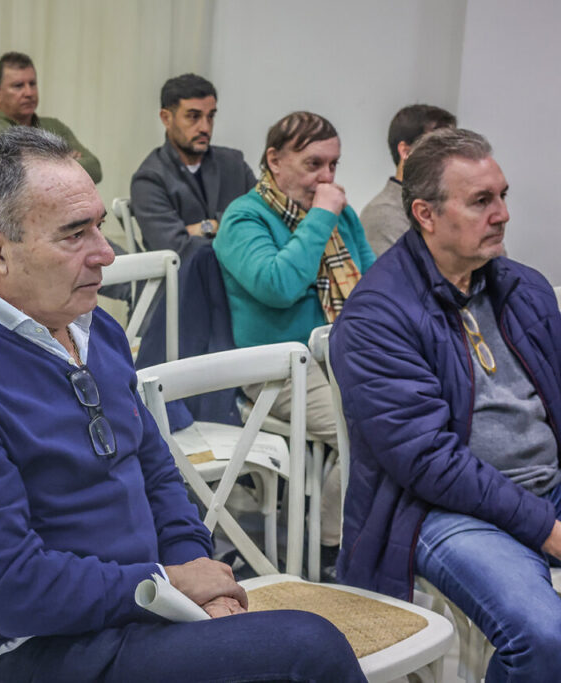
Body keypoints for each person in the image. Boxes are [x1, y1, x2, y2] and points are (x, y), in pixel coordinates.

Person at [0, 126, 364, 683]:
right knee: (306, 649)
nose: (106, 253)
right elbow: (13, 589)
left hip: (132, 613)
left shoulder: (88, 326)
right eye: (74, 234)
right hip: (20, 651)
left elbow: (156, 470)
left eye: (99, 225)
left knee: (292, 645)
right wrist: (167, 586)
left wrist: (195, 568)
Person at [332, 127, 561, 681]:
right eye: (482, 201)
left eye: (502, 195)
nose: (502, 214)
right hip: (436, 512)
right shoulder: (375, 318)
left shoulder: (522, 287)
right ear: (426, 214)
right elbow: (432, 464)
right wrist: (548, 528)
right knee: (546, 637)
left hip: (544, 488)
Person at [215, 111, 375, 573]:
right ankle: (328, 548)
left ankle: (371, 536)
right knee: (369, 426)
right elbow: (278, 285)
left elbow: (370, 284)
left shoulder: (337, 216)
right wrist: (323, 215)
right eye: (313, 165)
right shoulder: (245, 217)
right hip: (279, 374)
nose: (326, 179)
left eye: (334, 166)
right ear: (274, 160)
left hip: (341, 358)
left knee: (412, 411)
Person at [130, 73, 255, 262]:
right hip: (187, 285)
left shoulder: (233, 163)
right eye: (193, 117)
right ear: (166, 118)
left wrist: (208, 227)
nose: (205, 127)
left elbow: (265, 219)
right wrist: (234, 230)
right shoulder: (149, 179)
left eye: (210, 116)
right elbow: (175, 250)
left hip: (242, 277)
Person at [0, 51, 101, 184]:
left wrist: (35, 166)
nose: (29, 93)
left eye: (32, 84)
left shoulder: (54, 127)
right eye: (18, 86)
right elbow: (7, 183)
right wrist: (64, 161)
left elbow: (94, 169)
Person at [360, 104, 456, 256]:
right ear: (406, 151)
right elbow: (393, 278)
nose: (450, 157)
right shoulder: (384, 214)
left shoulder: (449, 205)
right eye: (438, 147)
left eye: (453, 148)